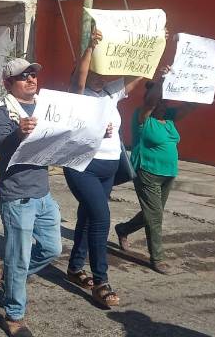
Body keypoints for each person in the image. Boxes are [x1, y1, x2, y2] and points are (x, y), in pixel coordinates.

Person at [62, 28, 148, 308]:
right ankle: (101, 281)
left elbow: (139, 75)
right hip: (82, 166)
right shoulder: (77, 94)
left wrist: (152, 48)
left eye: (104, 72)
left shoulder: (110, 93)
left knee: (88, 216)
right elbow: (80, 77)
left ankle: (75, 268)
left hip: (109, 167)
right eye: (95, 72)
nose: (101, 77)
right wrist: (90, 47)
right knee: (101, 217)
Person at [0, 58, 62, 337]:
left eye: (33, 75)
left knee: (53, 248)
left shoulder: (47, 107)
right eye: (23, 77)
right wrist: (18, 133)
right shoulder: (2, 112)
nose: (31, 79)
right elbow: (1, 147)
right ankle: (14, 314)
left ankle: (10, 278)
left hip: (42, 192)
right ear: (8, 83)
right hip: (17, 195)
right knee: (18, 257)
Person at [114, 79, 196, 274]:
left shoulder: (168, 116)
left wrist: (206, 84)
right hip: (147, 172)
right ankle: (157, 258)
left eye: (165, 100)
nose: (163, 103)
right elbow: (150, 103)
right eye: (159, 100)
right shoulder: (142, 117)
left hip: (168, 173)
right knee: (155, 215)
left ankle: (123, 229)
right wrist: (161, 80)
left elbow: (192, 106)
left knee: (151, 213)